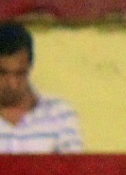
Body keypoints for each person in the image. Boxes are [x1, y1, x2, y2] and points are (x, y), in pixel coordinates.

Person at [0, 21, 83, 154]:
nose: (12, 84)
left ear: (30, 67)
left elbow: (72, 166)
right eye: (2, 73)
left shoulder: (60, 114)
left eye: (20, 73)